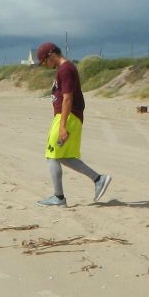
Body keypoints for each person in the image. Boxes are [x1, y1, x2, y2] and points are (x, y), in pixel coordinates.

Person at [36, 41, 111, 207]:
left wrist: (62, 125)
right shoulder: (64, 69)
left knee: (51, 155)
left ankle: (59, 198)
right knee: (64, 156)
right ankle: (99, 179)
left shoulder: (65, 69)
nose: (45, 66)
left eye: (44, 62)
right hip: (68, 117)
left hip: (67, 117)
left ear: (51, 55)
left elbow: (68, 98)